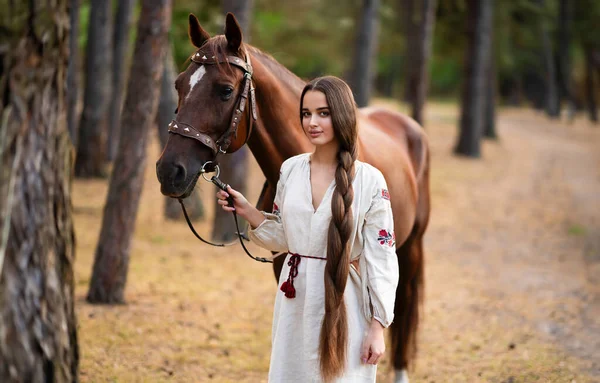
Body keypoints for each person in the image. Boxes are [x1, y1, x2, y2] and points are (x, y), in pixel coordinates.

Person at [216, 76, 399, 382]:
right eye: (306, 113)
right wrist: (248, 211)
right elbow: (288, 238)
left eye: (323, 113)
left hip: (346, 302)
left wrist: (377, 328)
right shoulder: (290, 170)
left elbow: (382, 258)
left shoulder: (370, 181)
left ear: (342, 115)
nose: (312, 122)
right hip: (294, 301)